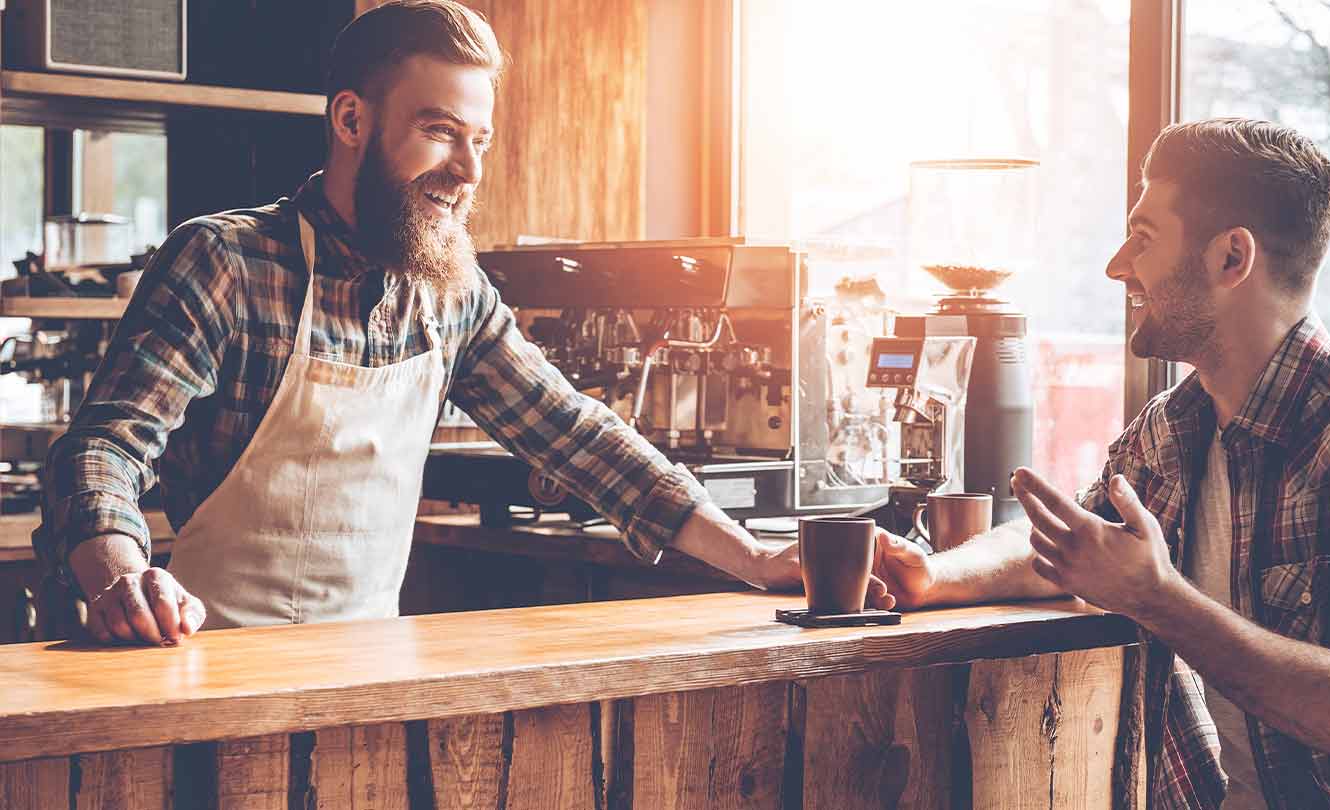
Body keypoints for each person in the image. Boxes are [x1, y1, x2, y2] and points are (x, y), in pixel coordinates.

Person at [35, 0, 836, 646]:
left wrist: (756, 557)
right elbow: (103, 449)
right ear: (351, 120)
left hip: (376, 671)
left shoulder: (451, 294)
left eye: (479, 139)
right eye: (440, 131)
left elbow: (574, 434)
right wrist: (122, 577)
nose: (470, 169)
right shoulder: (227, 262)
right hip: (209, 666)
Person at [872, 119, 1330, 808]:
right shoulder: (1175, 423)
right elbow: (1074, 541)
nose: (1118, 267)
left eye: (1142, 237)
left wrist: (1157, 598)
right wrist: (933, 575)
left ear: (1231, 258)